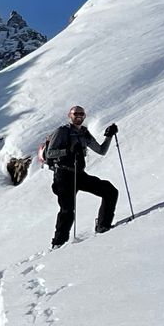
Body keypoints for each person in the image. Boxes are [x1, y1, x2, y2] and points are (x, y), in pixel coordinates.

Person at [40, 105, 119, 247]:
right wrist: (69, 151)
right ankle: (58, 244)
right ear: (69, 116)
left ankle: (103, 226)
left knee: (110, 191)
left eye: (81, 114)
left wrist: (109, 136)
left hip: (78, 174)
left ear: (84, 116)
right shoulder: (62, 131)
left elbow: (101, 150)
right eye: (75, 114)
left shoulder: (83, 133)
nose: (78, 116)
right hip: (63, 175)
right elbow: (49, 155)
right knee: (67, 210)